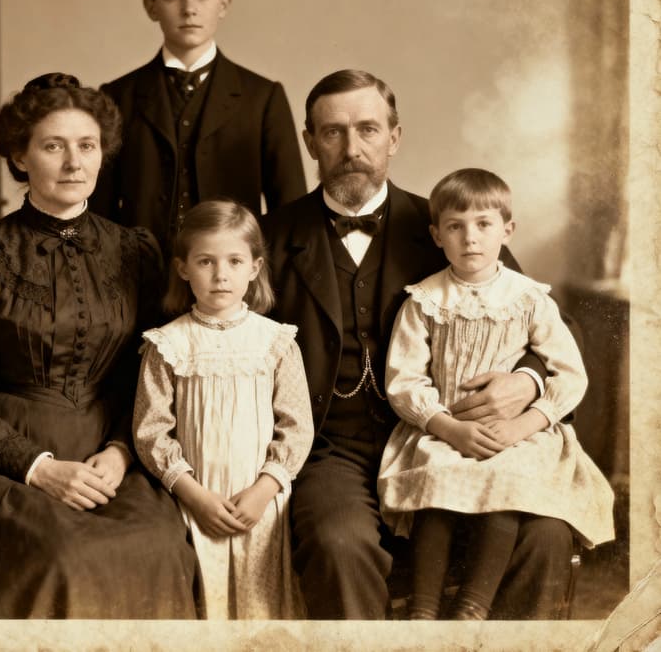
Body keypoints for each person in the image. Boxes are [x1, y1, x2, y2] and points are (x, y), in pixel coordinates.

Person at [0, 74, 199, 618]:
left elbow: (143, 377)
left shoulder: (136, 251)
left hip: (108, 454)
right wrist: (40, 468)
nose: (74, 163)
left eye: (87, 145)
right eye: (54, 146)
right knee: (66, 557)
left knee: (162, 544)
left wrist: (121, 453)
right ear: (20, 158)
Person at [261, 69, 579, 620]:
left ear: (395, 137)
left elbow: (533, 316)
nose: (352, 149)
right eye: (332, 133)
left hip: (450, 440)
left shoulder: (451, 225)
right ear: (310, 142)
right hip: (331, 447)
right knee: (341, 544)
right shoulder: (268, 238)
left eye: (367, 129)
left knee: (545, 537)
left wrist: (523, 383)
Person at [378, 168, 614, 620]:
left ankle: (473, 606)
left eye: (484, 224)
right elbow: (404, 381)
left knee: (508, 479)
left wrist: (525, 423)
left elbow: (571, 375)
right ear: (436, 235)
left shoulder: (529, 299)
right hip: (447, 430)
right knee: (437, 477)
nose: (470, 238)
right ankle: (424, 612)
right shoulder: (424, 301)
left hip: (517, 435)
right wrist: (446, 426)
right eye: (455, 226)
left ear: (507, 230)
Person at [133, 200, 313, 619]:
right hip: (196, 500)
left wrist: (265, 489)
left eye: (234, 260)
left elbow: (297, 425)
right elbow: (151, 431)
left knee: (261, 609)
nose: (220, 275)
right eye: (205, 261)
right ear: (183, 269)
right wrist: (193, 495)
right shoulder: (168, 345)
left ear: (255, 267)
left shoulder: (276, 342)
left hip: (260, 501)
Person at [90, 0, 306, 257]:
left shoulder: (263, 97)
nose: (189, 8)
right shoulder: (118, 96)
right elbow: (98, 211)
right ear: (151, 7)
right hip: (139, 282)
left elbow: (289, 212)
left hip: (231, 285)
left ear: (224, 4)